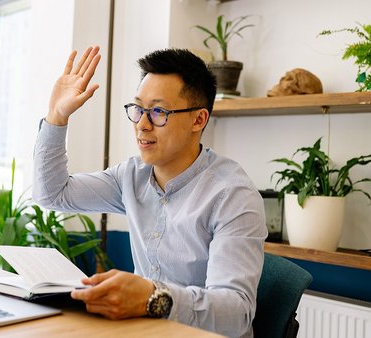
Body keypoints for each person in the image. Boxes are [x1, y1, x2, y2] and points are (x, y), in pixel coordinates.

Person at [32, 45, 267, 338]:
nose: (142, 125)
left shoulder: (232, 195)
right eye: (139, 109)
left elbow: (236, 314)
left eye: (158, 112)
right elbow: (52, 194)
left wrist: (154, 297)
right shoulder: (131, 176)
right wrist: (56, 117)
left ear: (199, 120)